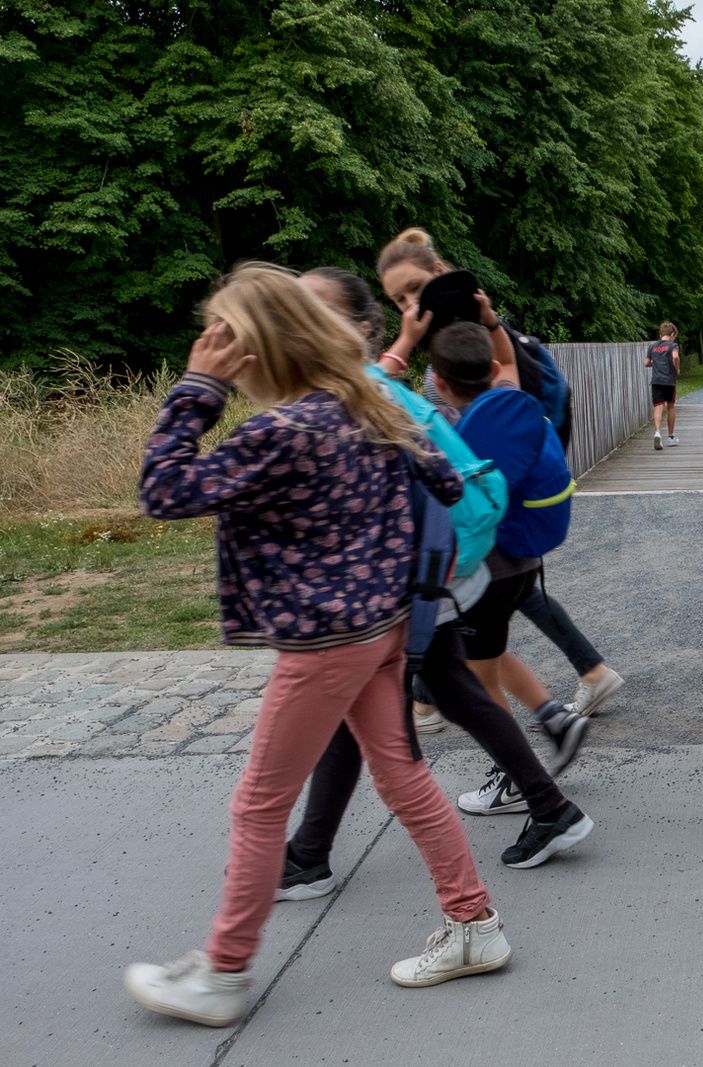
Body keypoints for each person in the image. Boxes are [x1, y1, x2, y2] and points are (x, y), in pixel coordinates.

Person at [124, 264, 511, 1028]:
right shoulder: (365, 401)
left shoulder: (283, 429)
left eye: (224, 339)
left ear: (254, 347)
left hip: (327, 642)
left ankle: (224, 972)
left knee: (259, 804)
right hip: (385, 624)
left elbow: (163, 491)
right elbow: (446, 481)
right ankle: (474, 925)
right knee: (403, 777)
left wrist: (199, 387)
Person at [277, 268, 593, 893]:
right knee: (449, 694)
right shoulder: (375, 387)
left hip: (404, 585)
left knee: (383, 726)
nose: (297, 321)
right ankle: (548, 807)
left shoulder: (359, 395)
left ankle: (437, 892)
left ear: (357, 329)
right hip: (433, 573)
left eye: (315, 310)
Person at [377, 229, 623, 723]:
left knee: (476, 640)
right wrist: (489, 320)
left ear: (439, 274)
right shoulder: (489, 350)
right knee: (497, 613)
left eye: (414, 290)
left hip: (483, 528)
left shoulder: (445, 364)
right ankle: (563, 692)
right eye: (398, 300)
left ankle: (511, 733)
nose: (409, 305)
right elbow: (506, 365)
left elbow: (372, 392)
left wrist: (404, 341)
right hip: (504, 518)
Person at [647, 321, 680, 449]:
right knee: (671, 407)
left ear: (661, 334)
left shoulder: (652, 346)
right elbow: (675, 357)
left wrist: (655, 362)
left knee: (658, 407)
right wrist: (677, 368)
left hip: (656, 381)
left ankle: (657, 433)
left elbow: (646, 362)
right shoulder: (673, 345)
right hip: (669, 381)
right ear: (672, 334)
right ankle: (671, 437)